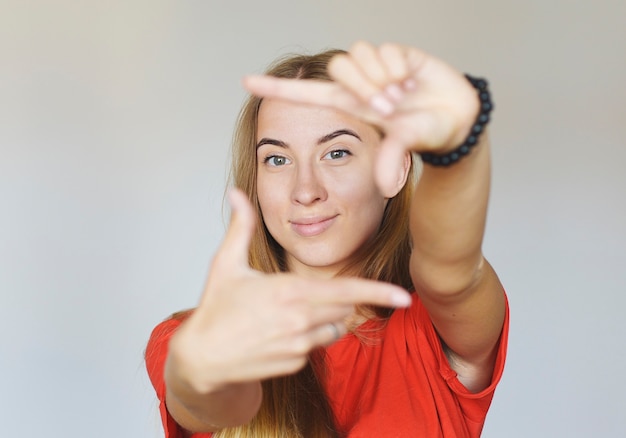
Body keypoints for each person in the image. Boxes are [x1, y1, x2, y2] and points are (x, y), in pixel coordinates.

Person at [145, 40, 509, 438]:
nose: (305, 190)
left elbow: (451, 267)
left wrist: (457, 151)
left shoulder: (430, 333)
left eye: (337, 153)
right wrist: (198, 372)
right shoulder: (194, 338)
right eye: (277, 159)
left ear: (397, 169)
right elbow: (204, 406)